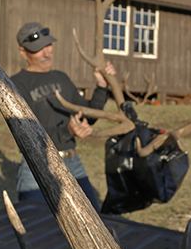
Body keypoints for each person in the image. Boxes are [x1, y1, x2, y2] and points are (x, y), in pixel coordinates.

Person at [10, 22, 115, 212]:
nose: (47, 53)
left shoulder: (62, 78)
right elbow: (26, 135)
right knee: (39, 227)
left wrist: (101, 86)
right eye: (38, 49)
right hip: (37, 165)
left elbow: (87, 115)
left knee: (95, 222)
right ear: (23, 51)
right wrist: (67, 131)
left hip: (72, 163)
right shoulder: (16, 85)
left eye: (48, 46)